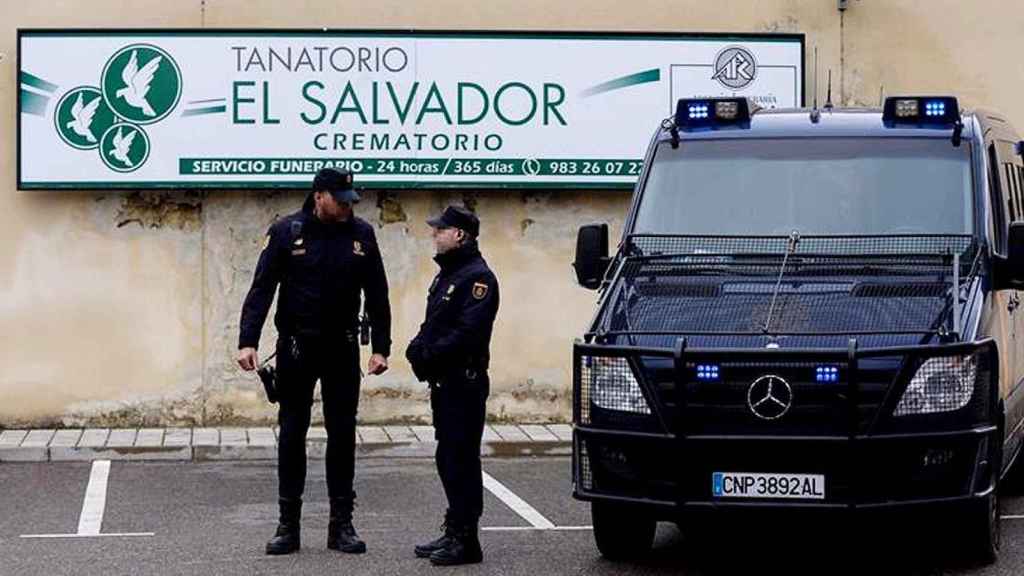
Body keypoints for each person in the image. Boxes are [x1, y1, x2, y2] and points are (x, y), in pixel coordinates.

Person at [237, 167, 391, 556]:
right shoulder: (287, 231)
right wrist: (247, 340)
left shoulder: (362, 234)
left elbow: (377, 292)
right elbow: (262, 287)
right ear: (319, 196)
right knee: (292, 435)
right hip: (296, 348)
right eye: (339, 200)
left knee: (342, 437)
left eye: (349, 200)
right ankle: (288, 526)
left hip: (341, 347)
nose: (346, 207)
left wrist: (381, 348)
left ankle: (342, 526)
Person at [406, 205, 500, 566]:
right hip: (445, 383)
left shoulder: (478, 279)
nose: (434, 234)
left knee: (461, 459)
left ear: (459, 234)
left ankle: (467, 540)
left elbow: (467, 334)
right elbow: (435, 323)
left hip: (464, 382)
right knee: (448, 458)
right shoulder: (448, 274)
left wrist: (428, 355)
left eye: (440, 229)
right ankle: (453, 528)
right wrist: (416, 346)